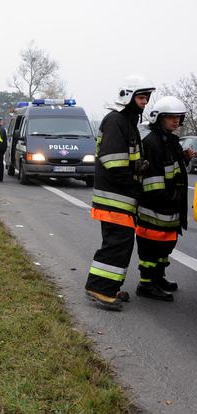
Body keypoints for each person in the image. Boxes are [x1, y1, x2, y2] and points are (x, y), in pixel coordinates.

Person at [85, 75, 155, 310]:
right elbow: (113, 162)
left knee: (119, 243)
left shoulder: (127, 122)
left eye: (146, 98)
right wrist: (135, 185)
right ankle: (99, 289)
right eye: (142, 97)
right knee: (118, 244)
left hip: (121, 197)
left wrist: (139, 167)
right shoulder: (116, 121)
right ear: (129, 97)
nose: (145, 102)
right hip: (115, 197)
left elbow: (124, 160)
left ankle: (109, 287)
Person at [135, 96, 195, 301]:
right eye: (170, 117)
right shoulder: (152, 142)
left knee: (165, 245)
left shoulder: (170, 140)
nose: (175, 121)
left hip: (169, 207)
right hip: (156, 207)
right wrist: (168, 198)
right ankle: (147, 284)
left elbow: (172, 169)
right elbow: (152, 180)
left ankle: (158, 277)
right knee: (151, 248)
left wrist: (184, 158)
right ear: (158, 118)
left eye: (178, 117)